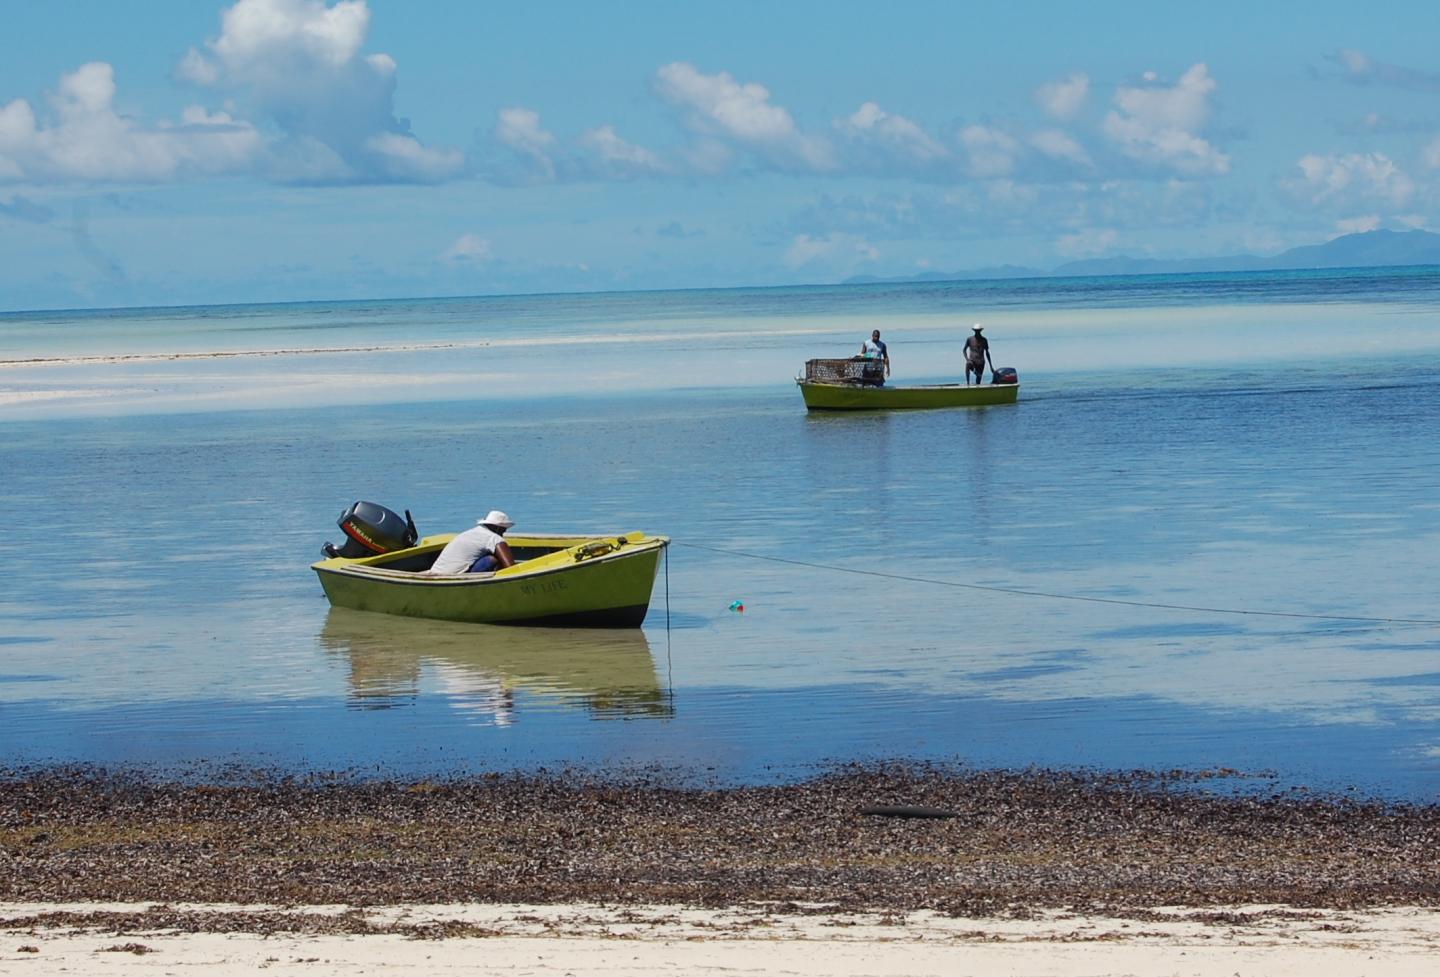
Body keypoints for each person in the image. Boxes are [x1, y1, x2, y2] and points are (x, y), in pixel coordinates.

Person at [427, 510, 516, 574]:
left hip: (436, 572)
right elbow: (510, 568)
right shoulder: (494, 538)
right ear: (498, 527)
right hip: (454, 576)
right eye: (504, 529)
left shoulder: (471, 533)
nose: (504, 533)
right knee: (494, 559)